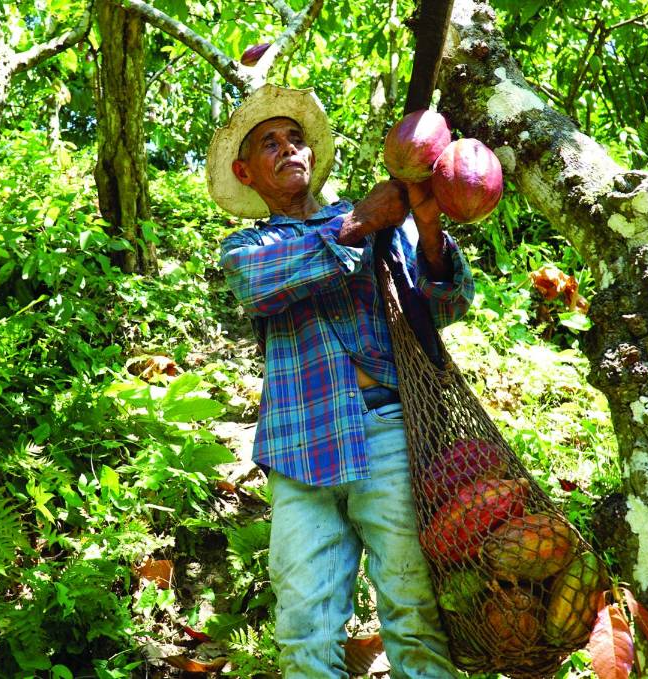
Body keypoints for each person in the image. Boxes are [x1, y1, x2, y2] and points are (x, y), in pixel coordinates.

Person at [208, 85, 475, 678]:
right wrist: (361, 222)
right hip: (298, 448)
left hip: (387, 431)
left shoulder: (382, 222)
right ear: (245, 172)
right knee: (304, 629)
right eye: (269, 143)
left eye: (295, 138)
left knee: (415, 611)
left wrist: (427, 225)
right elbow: (263, 285)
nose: (288, 148)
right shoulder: (247, 247)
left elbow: (449, 304)